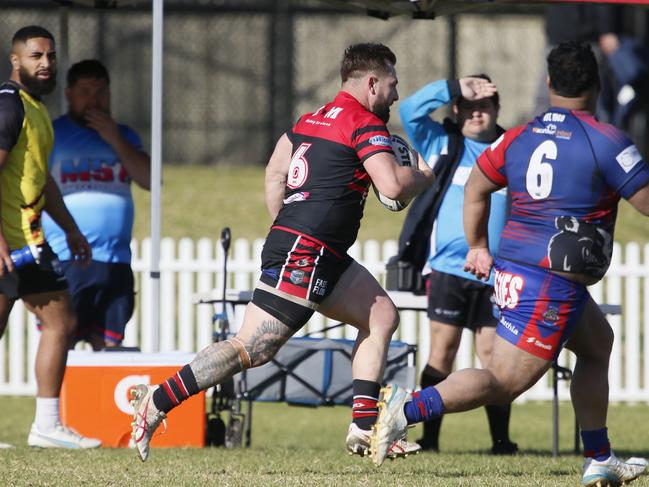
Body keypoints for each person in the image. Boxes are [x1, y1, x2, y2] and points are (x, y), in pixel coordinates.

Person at [129, 42, 435, 462]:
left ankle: (364, 429)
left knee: (381, 315)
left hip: (311, 248)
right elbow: (394, 187)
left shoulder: (310, 119)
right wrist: (422, 176)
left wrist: (284, 225)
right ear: (372, 83)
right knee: (252, 348)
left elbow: (276, 171)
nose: (396, 96)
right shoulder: (364, 123)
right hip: (307, 250)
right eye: (393, 85)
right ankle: (157, 400)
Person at [371, 41, 649, 486]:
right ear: (598, 85)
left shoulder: (519, 136)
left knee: (597, 345)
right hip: (549, 282)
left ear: (549, 84)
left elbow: (478, 184)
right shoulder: (605, 139)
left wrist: (478, 244)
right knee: (502, 382)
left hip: (521, 272)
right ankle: (406, 409)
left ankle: (599, 456)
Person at [398, 75, 516, 454]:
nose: (477, 113)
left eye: (485, 106)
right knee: (442, 352)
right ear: (457, 109)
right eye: (469, 105)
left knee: (492, 358)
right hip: (449, 270)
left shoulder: (511, 149)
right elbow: (408, 110)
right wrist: (453, 87)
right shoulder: (442, 143)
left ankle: (501, 441)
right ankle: (429, 439)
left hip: (498, 273)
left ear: (498, 109)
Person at [0, 26, 100, 448]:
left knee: (61, 321)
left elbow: (40, 181)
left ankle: (46, 425)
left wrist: (71, 227)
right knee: (61, 320)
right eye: (36, 55)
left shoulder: (35, 108)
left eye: (51, 56)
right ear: (15, 60)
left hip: (30, 238)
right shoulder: (9, 107)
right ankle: (46, 425)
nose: (45, 63)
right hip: (13, 242)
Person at [42, 59, 150, 350]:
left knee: (110, 349)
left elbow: (149, 179)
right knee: (61, 338)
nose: (94, 100)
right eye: (85, 92)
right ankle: (57, 398)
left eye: (101, 92)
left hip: (115, 261)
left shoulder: (124, 135)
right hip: (67, 259)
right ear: (68, 94)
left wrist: (114, 138)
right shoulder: (52, 134)